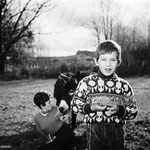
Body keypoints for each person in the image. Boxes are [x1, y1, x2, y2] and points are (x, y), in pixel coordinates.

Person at [71, 40, 138, 150]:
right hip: (94, 130)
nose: (108, 64)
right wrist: (91, 107)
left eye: (112, 60)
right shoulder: (86, 83)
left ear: (118, 61)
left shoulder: (124, 86)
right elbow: (74, 106)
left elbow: (133, 112)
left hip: (117, 132)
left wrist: (119, 110)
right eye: (103, 59)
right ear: (96, 61)